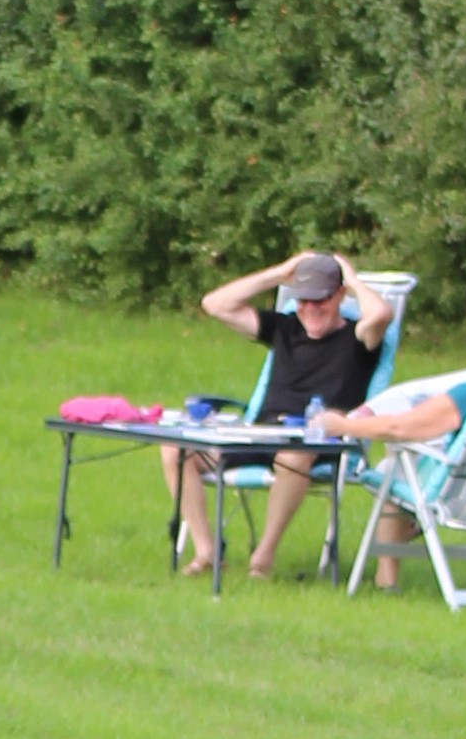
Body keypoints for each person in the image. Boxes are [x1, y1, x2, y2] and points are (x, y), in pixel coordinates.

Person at [162, 248, 398, 580]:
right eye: (303, 300)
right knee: (175, 450)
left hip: (318, 441)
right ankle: (207, 551)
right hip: (262, 433)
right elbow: (215, 304)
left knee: (294, 457)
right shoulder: (284, 328)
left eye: (321, 299)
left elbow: (381, 316)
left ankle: (263, 557)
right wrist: (279, 273)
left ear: (339, 296)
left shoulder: (358, 339)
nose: (310, 308)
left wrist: (354, 280)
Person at [319, 304, 466, 589]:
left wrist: (342, 426)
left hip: (459, 495)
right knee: (405, 461)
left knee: (394, 463)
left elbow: (401, 427)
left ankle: (387, 579)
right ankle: (396, 555)